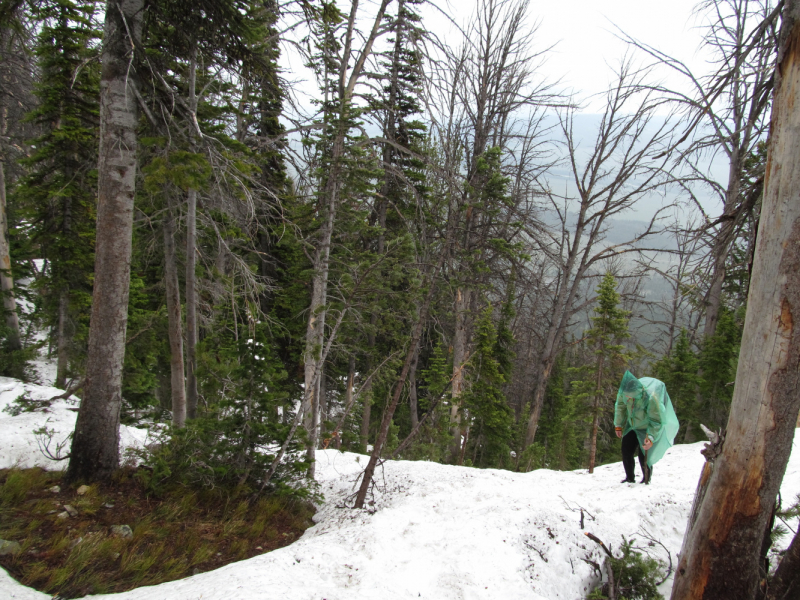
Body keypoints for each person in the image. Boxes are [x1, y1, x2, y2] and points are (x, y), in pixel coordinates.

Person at [614, 370, 679, 484]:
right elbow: (620, 407)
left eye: (629, 395)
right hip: (633, 424)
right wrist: (618, 425)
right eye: (626, 394)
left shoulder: (650, 398)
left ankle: (646, 479)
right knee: (626, 450)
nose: (627, 397)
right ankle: (629, 478)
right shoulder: (624, 393)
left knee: (643, 453)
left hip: (647, 427)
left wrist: (651, 437)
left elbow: (656, 421)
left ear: (636, 392)